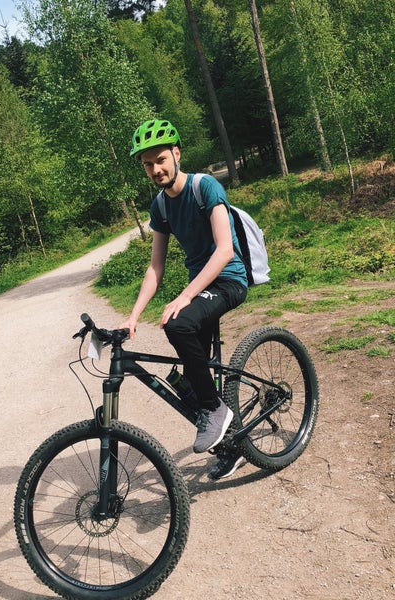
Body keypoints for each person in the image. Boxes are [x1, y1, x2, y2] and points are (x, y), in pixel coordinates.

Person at [122, 118, 246, 480]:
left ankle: (215, 409)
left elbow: (224, 250)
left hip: (228, 280)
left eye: (161, 159)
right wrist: (132, 316)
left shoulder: (204, 187)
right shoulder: (160, 206)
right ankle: (232, 446)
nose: (155, 169)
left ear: (176, 154)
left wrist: (185, 296)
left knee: (177, 323)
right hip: (201, 288)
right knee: (189, 382)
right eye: (148, 164)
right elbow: (155, 267)